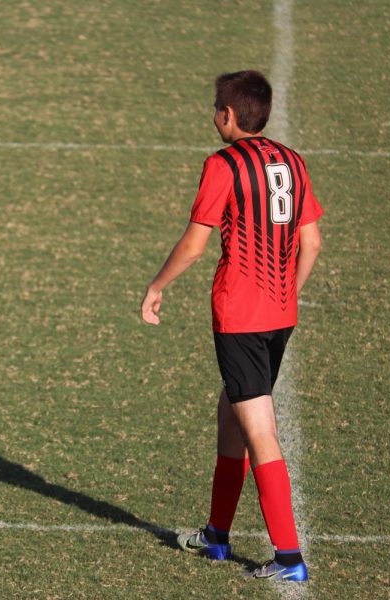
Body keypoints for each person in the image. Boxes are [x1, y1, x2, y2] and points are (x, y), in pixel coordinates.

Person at [140, 70, 323, 582]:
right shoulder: (291, 160)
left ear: (228, 115)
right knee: (232, 412)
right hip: (278, 316)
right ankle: (217, 535)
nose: (212, 114)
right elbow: (311, 244)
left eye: (215, 107)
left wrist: (156, 285)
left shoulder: (222, 165)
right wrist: (287, 293)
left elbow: (195, 244)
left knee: (259, 429)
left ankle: (288, 557)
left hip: (240, 317)